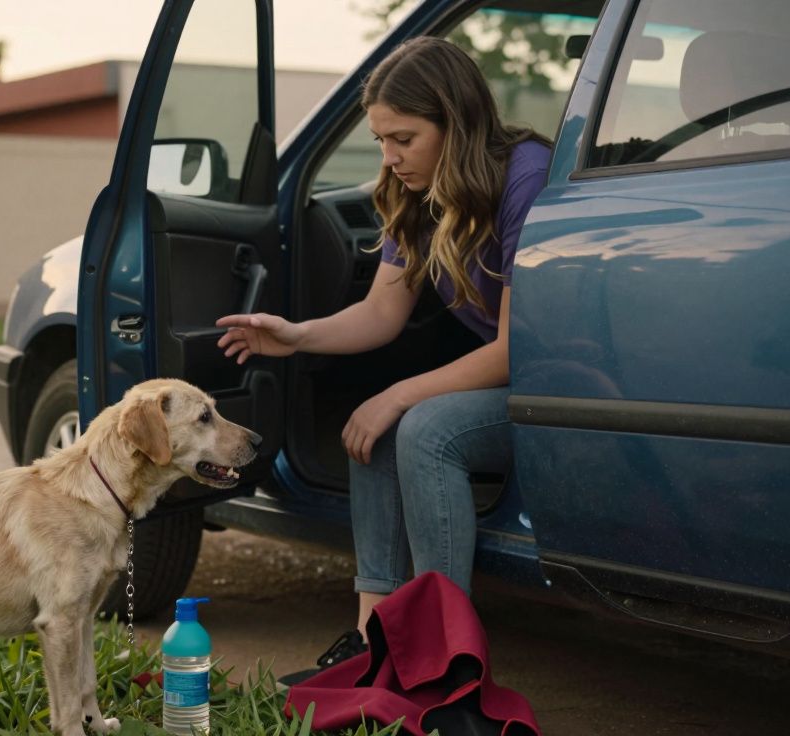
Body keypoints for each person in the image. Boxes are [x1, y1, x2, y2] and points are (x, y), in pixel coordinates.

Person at [216, 37, 551, 679]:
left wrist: (399, 394)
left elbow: (515, 352)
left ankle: (442, 649)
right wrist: (296, 334)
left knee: (416, 425)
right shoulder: (417, 192)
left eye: (404, 137)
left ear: (454, 124)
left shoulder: (525, 178)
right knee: (376, 428)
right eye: (380, 141)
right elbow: (381, 313)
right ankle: (376, 639)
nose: (391, 158)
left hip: (554, 386)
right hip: (506, 382)